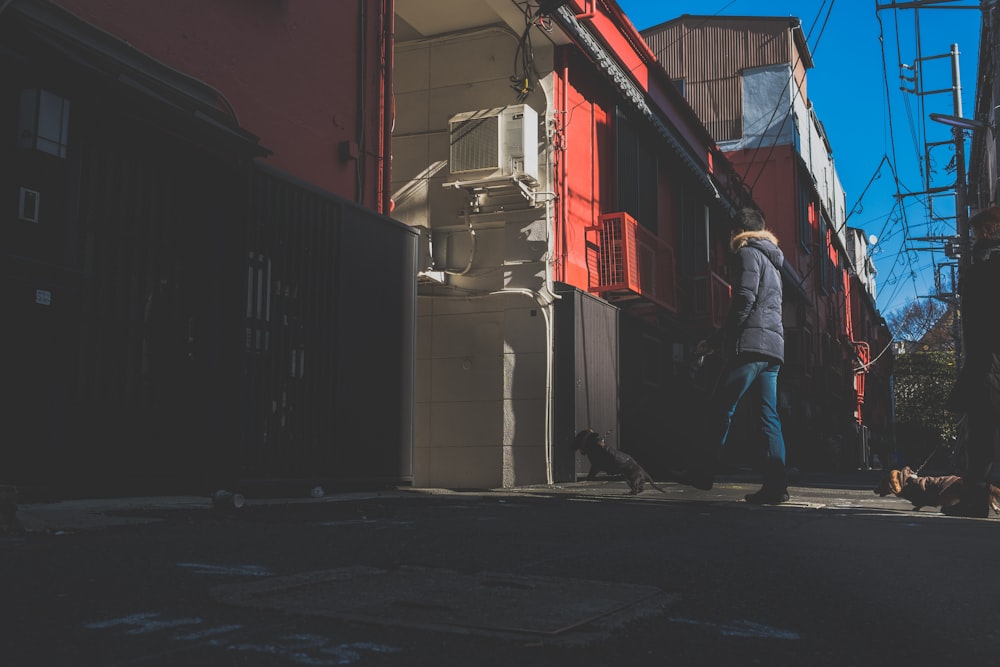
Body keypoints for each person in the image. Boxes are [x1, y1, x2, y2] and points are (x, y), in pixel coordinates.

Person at [676, 207, 789, 504]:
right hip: (773, 350)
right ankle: (777, 486)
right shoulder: (774, 262)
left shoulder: (747, 252)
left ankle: (702, 474)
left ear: (737, 232)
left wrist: (718, 339)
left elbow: (744, 299)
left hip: (751, 345)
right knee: (768, 416)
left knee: (720, 408)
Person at [944, 206, 1000, 517]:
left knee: (981, 435)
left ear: (985, 231)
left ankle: (976, 500)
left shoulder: (983, 265)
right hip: (990, 356)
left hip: (987, 359)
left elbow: (978, 320)